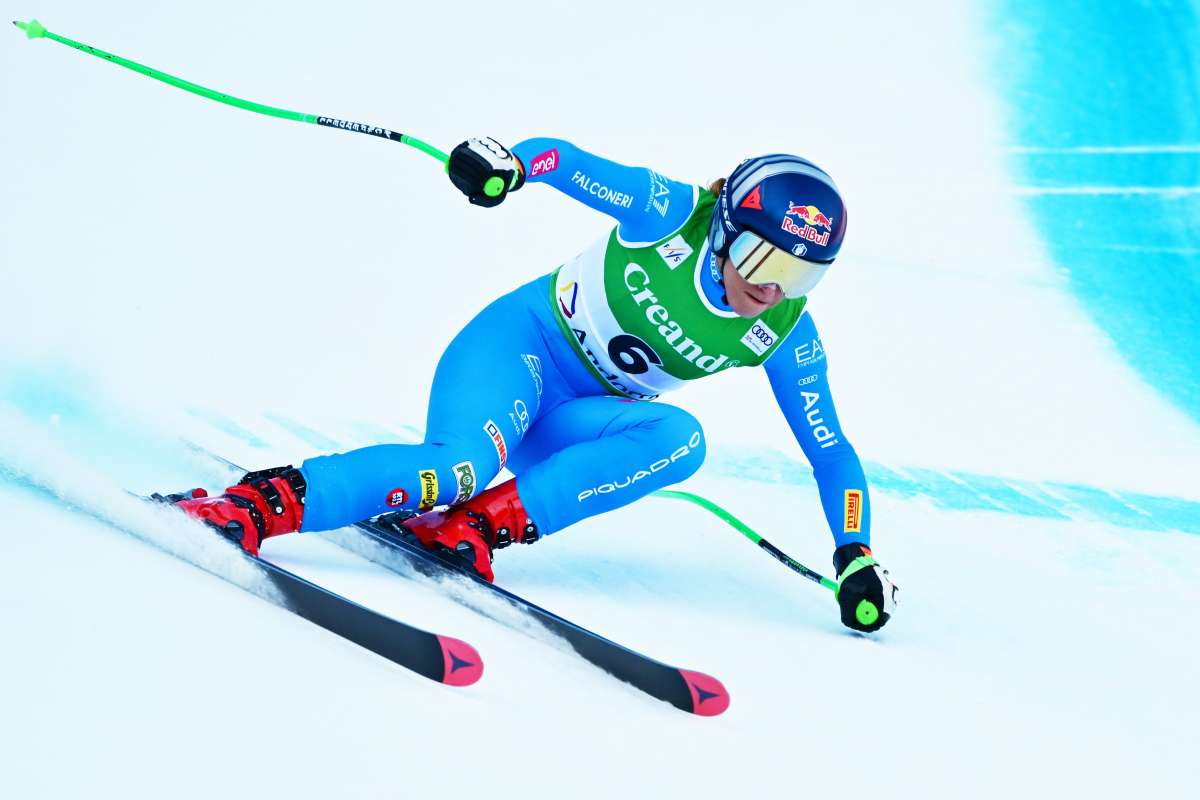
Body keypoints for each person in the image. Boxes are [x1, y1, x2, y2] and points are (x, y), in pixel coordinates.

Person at [173, 137, 898, 632]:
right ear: (724, 229)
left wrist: (855, 552)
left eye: (800, 274)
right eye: (763, 258)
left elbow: (830, 451)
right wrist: (511, 165)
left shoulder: (785, 332)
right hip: (517, 352)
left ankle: (475, 528)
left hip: (572, 420)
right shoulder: (670, 214)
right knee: (456, 467)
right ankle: (252, 504)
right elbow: (564, 160)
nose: (773, 288)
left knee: (681, 440)